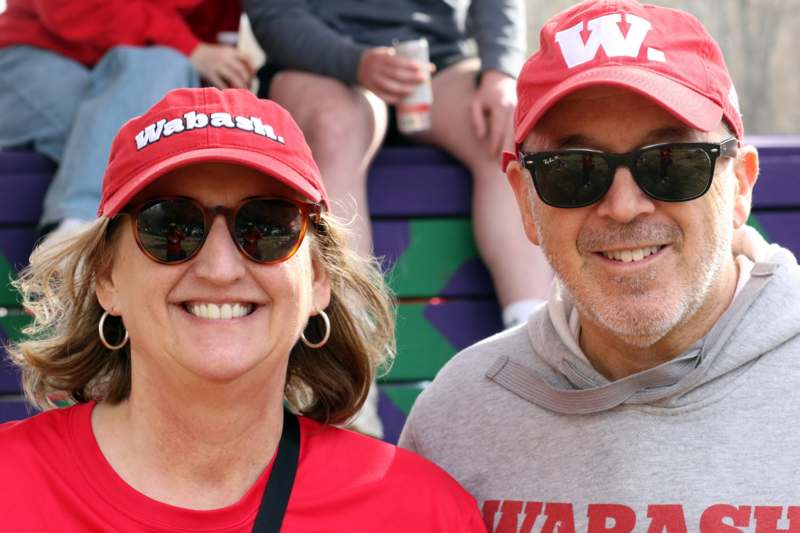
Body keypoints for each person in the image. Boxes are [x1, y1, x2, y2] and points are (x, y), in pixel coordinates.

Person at [0, 88, 486, 532]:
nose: (220, 268)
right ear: (107, 278)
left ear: (317, 279)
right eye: (171, 225)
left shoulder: (417, 514)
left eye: (265, 226)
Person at [400, 0, 800, 530]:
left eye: (671, 164)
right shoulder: (460, 415)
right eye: (574, 171)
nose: (624, 205)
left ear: (740, 187)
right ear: (525, 202)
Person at [245, 0, 553, 439]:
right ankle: (347, 376)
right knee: (335, 125)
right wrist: (355, 62)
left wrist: (500, 72)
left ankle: (537, 359)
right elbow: (273, 16)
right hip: (317, 63)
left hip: (433, 60)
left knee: (509, 128)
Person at [0, 0, 253, 243]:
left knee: (138, 116)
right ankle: (81, 235)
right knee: (131, 133)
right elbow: (69, 8)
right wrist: (189, 48)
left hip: (138, 79)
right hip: (31, 55)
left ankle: (81, 234)